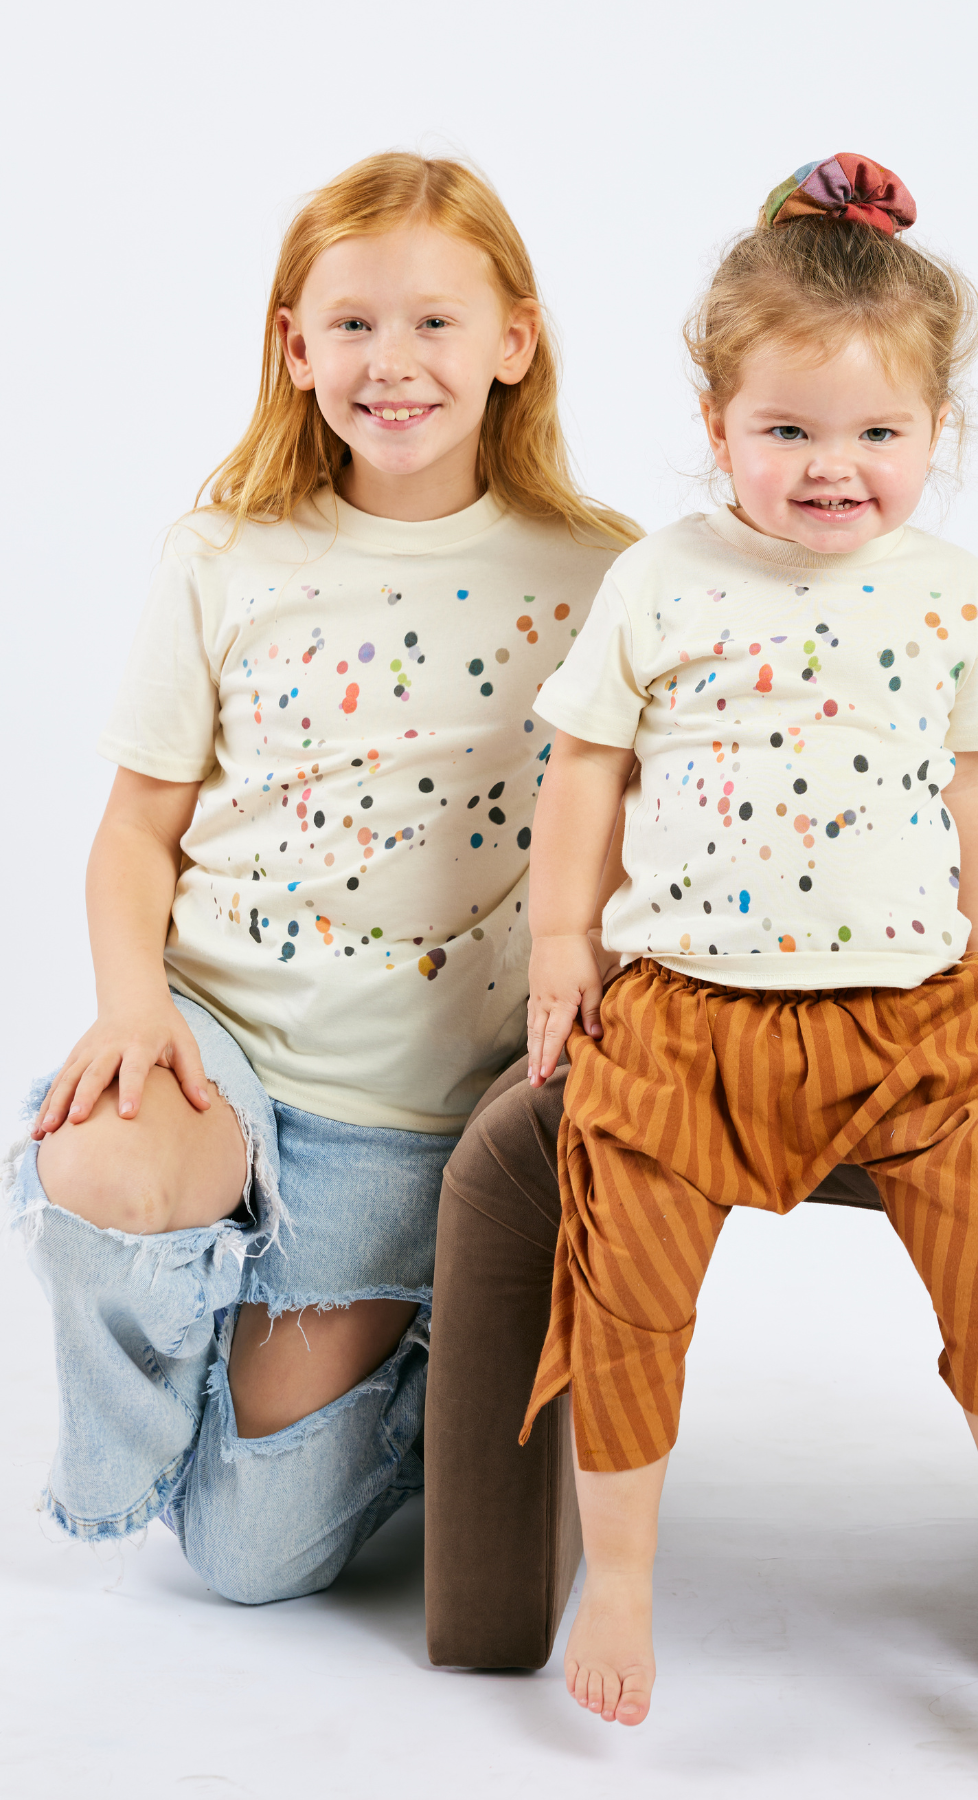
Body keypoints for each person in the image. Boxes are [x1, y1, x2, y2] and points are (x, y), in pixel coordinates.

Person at [521, 155, 978, 1725]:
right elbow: (586, 765)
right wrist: (561, 947)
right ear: (717, 425)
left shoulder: (949, 594)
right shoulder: (664, 579)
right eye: (785, 431)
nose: (830, 468)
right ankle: (628, 1573)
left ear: (937, 435)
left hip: (912, 1016)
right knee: (627, 1275)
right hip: (682, 1014)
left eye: (876, 434)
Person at [7, 151, 634, 1603]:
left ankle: (410, 1353)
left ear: (513, 344)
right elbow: (133, 832)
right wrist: (132, 1011)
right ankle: (189, 1308)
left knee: (244, 1565)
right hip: (221, 1044)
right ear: (294, 347)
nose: (391, 362)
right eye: (349, 324)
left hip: (398, 1118)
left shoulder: (603, 578)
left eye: (434, 323)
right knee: (94, 1159)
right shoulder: (225, 554)